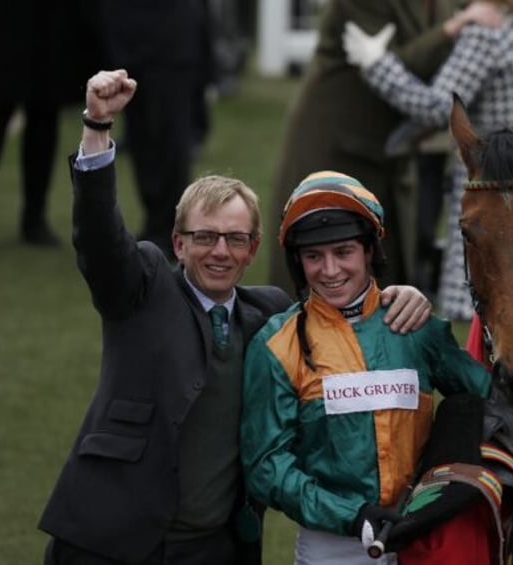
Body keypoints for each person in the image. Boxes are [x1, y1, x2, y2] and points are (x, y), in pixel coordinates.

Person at [38, 69, 432, 565]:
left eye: (235, 239)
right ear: (178, 244)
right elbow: (99, 240)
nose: (219, 251)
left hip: (214, 547)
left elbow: (344, 308)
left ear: (254, 250)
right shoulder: (143, 287)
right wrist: (97, 126)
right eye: (205, 237)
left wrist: (402, 296)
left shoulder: (270, 313)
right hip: (110, 537)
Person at [240, 170, 492, 564]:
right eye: (313, 256)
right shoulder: (275, 345)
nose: (330, 270)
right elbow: (266, 465)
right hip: (334, 547)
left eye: (343, 252)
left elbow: (484, 395)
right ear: (297, 261)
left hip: (426, 540)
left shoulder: (415, 325)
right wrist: (353, 516)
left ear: (370, 250)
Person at [342, 0, 513, 320]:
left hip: (488, 176)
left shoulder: (487, 33)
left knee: (476, 300)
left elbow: (437, 106)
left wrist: (377, 64)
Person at [268, 1, 504, 295]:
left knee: (384, 275)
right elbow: (390, 62)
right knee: (323, 258)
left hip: (391, 147)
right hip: (340, 141)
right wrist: (452, 31)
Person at [92, 0, 212, 255]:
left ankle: (173, 227)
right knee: (141, 139)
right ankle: (155, 222)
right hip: (128, 35)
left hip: (170, 36)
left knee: (169, 140)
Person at [0, 1, 99, 245]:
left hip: (52, 29)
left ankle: (34, 218)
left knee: (44, 118)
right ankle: (34, 220)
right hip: (6, 25)